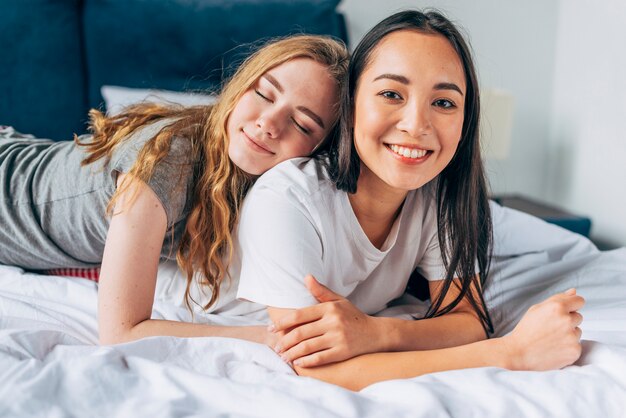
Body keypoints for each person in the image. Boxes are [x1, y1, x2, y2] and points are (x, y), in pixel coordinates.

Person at [235, 11, 584, 390]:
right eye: (390, 94)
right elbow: (319, 369)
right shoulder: (286, 199)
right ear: (350, 105)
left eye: (444, 103)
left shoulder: (439, 195)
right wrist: (511, 353)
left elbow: (467, 319)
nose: (416, 125)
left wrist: (377, 332)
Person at [0, 35, 348, 346]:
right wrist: (266, 338)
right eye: (263, 94)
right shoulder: (169, 159)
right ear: (240, 86)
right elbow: (121, 332)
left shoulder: (265, 183)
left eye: (302, 124)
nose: (268, 124)